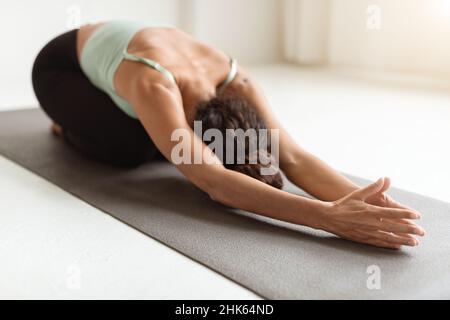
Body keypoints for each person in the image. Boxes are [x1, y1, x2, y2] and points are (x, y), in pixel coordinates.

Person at [32, 20, 425, 250]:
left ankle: (148, 128)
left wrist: (363, 201)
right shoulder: (156, 86)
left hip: (133, 70)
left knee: (162, 143)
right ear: (202, 141)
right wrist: (328, 218)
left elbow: (294, 157)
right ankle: (65, 124)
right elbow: (214, 181)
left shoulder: (239, 82)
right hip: (61, 69)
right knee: (133, 150)